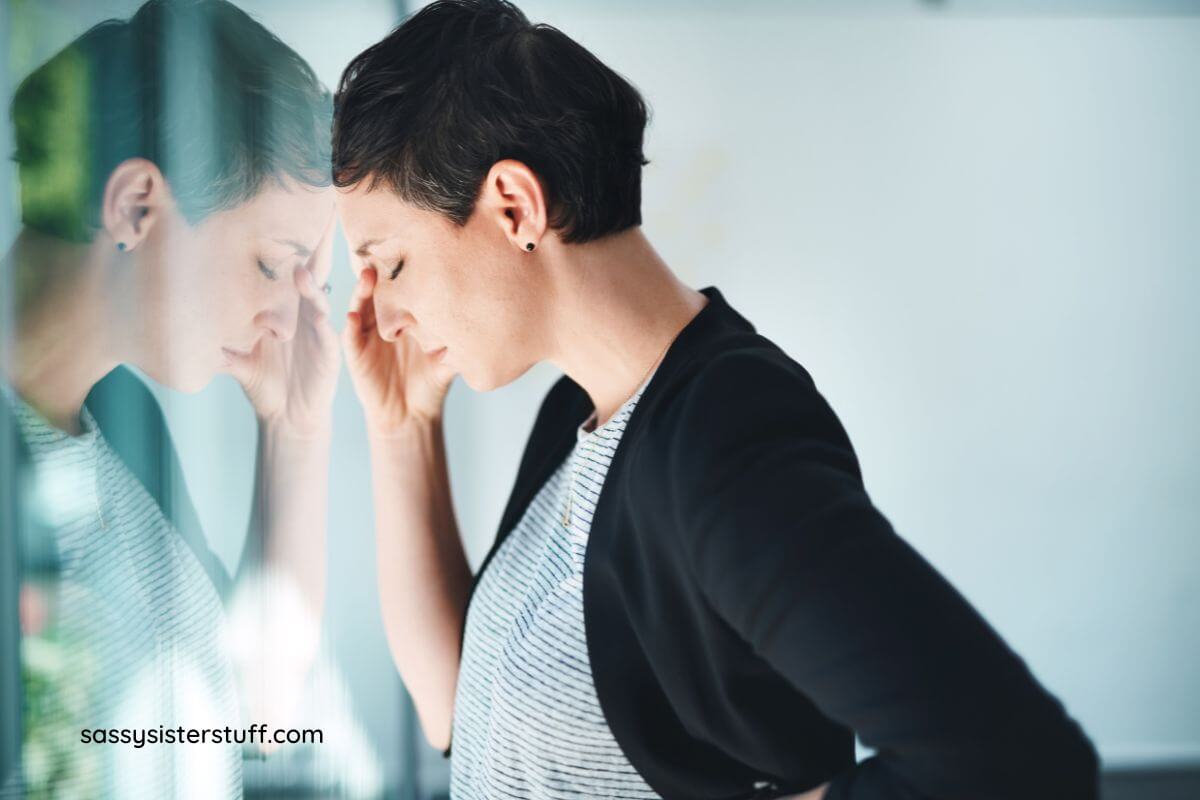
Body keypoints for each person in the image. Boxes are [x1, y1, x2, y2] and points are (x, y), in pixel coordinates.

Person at [332, 1, 1100, 798]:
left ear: (514, 207)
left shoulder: (720, 441)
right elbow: (458, 708)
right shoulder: (576, 414)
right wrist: (403, 426)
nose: (383, 315)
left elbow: (1017, 765)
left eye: (389, 264)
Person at [1, 1, 337, 796]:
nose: (288, 317)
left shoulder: (121, 424)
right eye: (270, 265)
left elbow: (255, 715)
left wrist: (293, 430)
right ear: (135, 207)